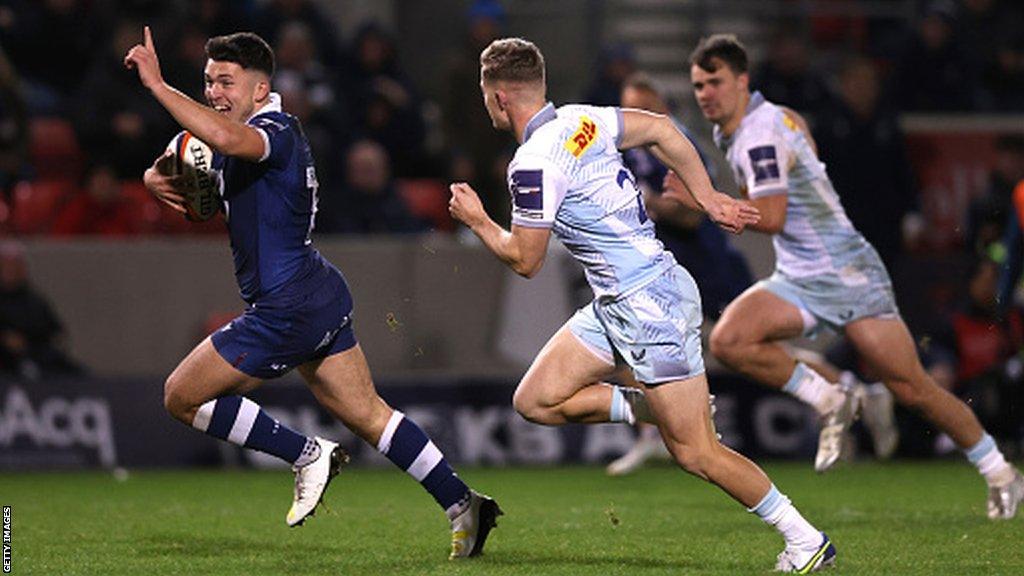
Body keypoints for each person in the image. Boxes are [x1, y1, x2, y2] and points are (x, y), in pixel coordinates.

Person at [450, 37, 837, 573]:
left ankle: (805, 540)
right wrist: (706, 194)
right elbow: (660, 128)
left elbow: (526, 259)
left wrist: (477, 220)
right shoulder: (583, 120)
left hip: (648, 304)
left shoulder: (532, 164)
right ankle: (655, 407)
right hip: (622, 299)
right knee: (536, 400)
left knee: (696, 453)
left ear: (498, 99)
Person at [124, 28, 500, 558]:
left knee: (182, 396)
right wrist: (150, 178)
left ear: (261, 89)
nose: (214, 92)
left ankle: (305, 454)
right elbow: (197, 170)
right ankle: (464, 503)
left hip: (287, 307)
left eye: (226, 81)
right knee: (371, 416)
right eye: (209, 81)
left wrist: (159, 86)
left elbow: (227, 144)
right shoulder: (233, 133)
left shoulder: (274, 129)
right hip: (314, 291)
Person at [686, 34, 1022, 518]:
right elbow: (807, 148)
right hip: (801, 274)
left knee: (914, 388)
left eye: (714, 82)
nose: (704, 94)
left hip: (846, 273)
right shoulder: (761, 121)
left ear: (742, 81)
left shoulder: (758, 133)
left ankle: (1001, 472)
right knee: (730, 340)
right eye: (698, 84)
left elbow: (773, 215)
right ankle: (836, 396)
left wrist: (706, 202)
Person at [606, 73, 754, 476]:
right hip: (659, 270)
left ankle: (834, 395)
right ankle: (654, 435)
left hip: (709, 265)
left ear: (662, 108)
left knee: (752, 348)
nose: (634, 115)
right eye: (628, 108)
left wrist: (652, 203)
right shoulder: (622, 148)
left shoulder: (678, 143)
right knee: (624, 349)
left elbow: (692, 216)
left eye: (643, 107)